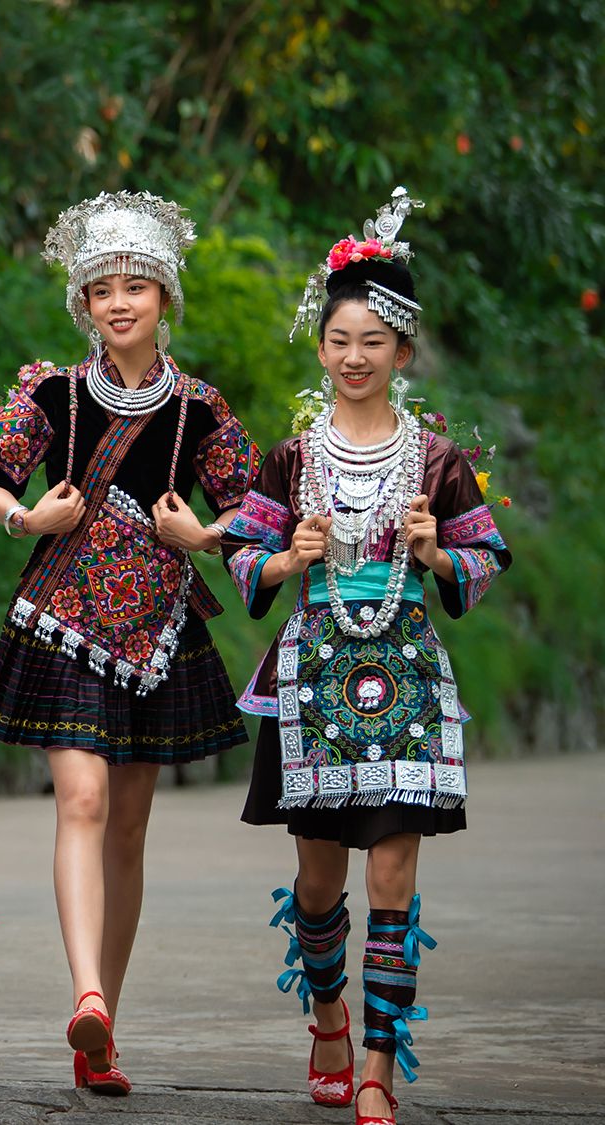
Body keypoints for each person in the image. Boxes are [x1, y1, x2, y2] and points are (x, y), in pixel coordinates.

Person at [0, 191, 258, 1094]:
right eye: (101, 289)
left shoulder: (202, 410)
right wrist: (26, 516)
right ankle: (85, 991)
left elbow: (255, 505)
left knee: (128, 825)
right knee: (82, 801)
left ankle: (105, 1031)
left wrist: (202, 540)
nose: (119, 301)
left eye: (137, 285)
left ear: (166, 297)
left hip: (159, 634)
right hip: (62, 621)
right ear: (82, 304)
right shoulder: (50, 392)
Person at [224, 188, 510, 1125]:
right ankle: (330, 1013)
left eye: (373, 343)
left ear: (403, 352)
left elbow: (484, 558)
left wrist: (435, 555)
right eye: (340, 340)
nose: (355, 357)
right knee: (319, 880)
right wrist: (284, 557)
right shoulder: (288, 458)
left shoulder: (437, 462)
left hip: (409, 685)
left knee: (394, 873)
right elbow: (244, 560)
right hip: (312, 686)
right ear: (322, 347)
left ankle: (381, 1065)